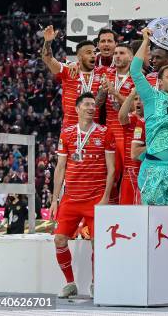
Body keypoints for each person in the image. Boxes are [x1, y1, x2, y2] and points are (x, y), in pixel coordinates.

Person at [130, 28, 168, 303]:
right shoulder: (151, 98)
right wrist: (145, 40)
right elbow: (134, 70)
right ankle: (147, 276)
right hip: (153, 170)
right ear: (159, 80)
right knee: (150, 224)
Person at [50, 92, 116, 298]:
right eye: (86, 104)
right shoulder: (66, 134)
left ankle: (97, 283)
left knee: (98, 243)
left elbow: (112, 169)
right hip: (71, 198)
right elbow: (60, 167)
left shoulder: (105, 132)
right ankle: (70, 283)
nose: (90, 107)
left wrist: (105, 198)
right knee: (59, 240)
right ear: (77, 109)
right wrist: (54, 199)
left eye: (93, 104)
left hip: (96, 198)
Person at [41, 25, 107, 127]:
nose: (93, 55)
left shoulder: (102, 72)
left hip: (94, 130)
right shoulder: (68, 71)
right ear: (79, 57)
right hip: (70, 128)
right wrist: (48, 42)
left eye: (94, 52)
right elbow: (48, 59)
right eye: (88, 53)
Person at [97, 43, 135, 203]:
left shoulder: (137, 78)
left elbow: (135, 107)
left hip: (126, 130)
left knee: (127, 173)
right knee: (107, 174)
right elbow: (98, 104)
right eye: (116, 53)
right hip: (108, 129)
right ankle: (108, 208)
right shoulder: (106, 73)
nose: (117, 56)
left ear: (131, 57)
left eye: (122, 53)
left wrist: (115, 92)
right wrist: (102, 91)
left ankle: (127, 209)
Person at [118, 88, 144, 205]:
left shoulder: (152, 121)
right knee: (126, 211)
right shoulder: (131, 119)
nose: (138, 102)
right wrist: (132, 93)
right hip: (130, 172)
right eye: (136, 99)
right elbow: (121, 116)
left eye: (141, 99)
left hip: (147, 171)